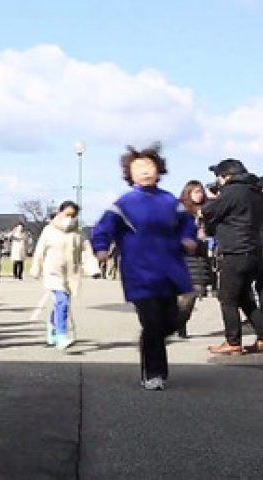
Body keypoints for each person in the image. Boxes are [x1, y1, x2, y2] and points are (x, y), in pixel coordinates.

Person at [91, 144, 196, 391]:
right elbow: (104, 227)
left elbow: (187, 223)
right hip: (139, 272)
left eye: (150, 166)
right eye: (138, 167)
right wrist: (101, 247)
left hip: (169, 270)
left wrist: (188, 237)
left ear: (159, 170)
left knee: (170, 321)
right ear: (130, 174)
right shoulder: (124, 203)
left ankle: (148, 344)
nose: (145, 171)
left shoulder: (170, 201)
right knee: (152, 322)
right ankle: (154, 374)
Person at [201, 158, 263, 355]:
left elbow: (208, 212)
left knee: (227, 298)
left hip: (234, 251)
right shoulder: (255, 192)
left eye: (218, 176)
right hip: (254, 252)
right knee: (246, 298)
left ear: (226, 176)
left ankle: (232, 341)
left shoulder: (231, 191)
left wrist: (213, 198)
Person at [30, 201, 83, 350]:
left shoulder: (77, 233)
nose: (70, 218)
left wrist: (93, 269)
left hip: (70, 275)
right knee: (62, 302)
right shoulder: (49, 230)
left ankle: (52, 326)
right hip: (53, 273)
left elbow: (85, 251)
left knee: (60, 304)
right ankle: (61, 336)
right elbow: (39, 250)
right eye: (67, 214)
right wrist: (36, 267)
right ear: (60, 213)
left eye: (73, 215)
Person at [176, 181, 211, 338]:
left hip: (201, 257)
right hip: (184, 257)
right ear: (188, 192)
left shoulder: (206, 210)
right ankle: (177, 324)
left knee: (195, 292)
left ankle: (180, 323)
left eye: (201, 191)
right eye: (196, 191)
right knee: (187, 294)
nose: (199, 194)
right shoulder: (181, 211)